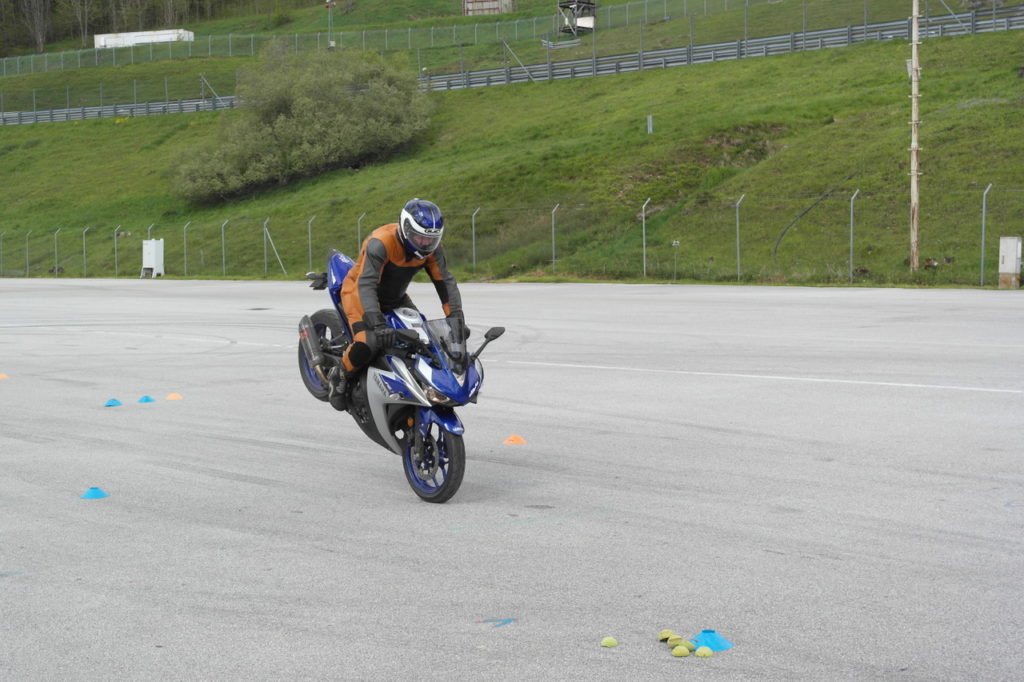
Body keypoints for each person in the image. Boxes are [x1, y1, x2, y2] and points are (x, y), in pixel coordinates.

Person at [329, 198, 465, 410]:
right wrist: (377, 323)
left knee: (424, 341)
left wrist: (455, 318)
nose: (425, 244)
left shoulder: (431, 250)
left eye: (431, 239)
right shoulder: (381, 243)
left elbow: (445, 282)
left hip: (396, 298)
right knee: (368, 342)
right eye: (420, 238)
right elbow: (366, 284)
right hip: (359, 295)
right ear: (406, 229)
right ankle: (339, 375)